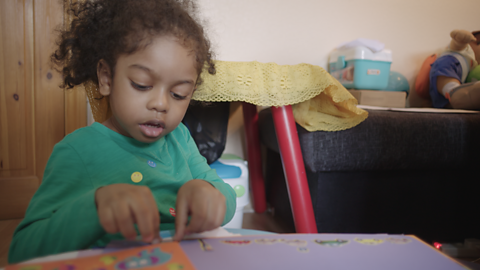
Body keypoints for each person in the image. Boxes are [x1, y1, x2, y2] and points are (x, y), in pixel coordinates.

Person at [8, 0, 236, 264]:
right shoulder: (78, 151)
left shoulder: (180, 139)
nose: (161, 104)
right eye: (141, 85)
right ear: (106, 78)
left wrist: (209, 193)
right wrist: (94, 208)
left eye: (178, 94)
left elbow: (224, 196)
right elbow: (23, 250)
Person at [429, 29, 480, 109]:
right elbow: (457, 44)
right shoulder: (454, 55)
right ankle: (455, 93)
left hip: (461, 81)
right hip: (448, 65)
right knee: (449, 84)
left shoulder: (474, 64)